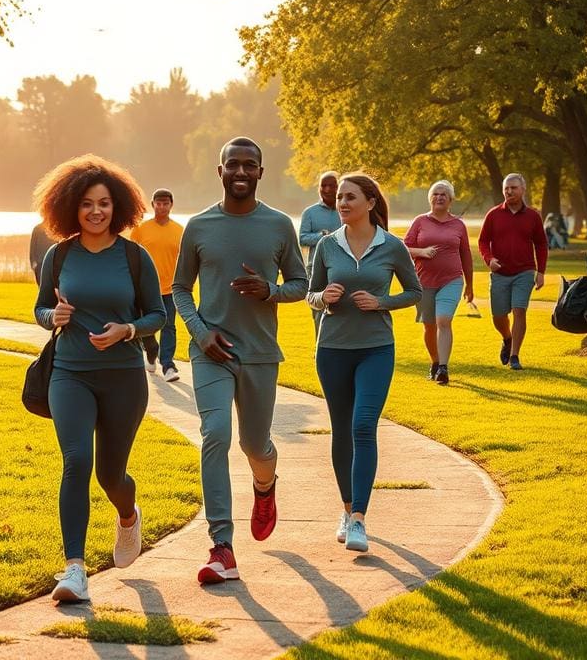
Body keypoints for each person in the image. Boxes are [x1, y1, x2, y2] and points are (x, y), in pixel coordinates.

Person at [172, 136, 308, 585]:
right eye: (233, 165)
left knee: (255, 445)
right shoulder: (198, 226)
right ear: (220, 170)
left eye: (250, 165)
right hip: (210, 351)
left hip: (260, 353)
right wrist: (199, 331)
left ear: (261, 173)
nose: (241, 173)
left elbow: (300, 284)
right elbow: (179, 289)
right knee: (215, 434)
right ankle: (222, 549)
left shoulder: (278, 225)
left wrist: (270, 290)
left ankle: (265, 484)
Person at [33, 155, 166, 602]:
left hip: (124, 377)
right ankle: (74, 569)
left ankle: (128, 516)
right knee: (76, 461)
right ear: (71, 206)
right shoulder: (60, 254)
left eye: (104, 204)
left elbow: (157, 315)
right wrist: (55, 315)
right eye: (87, 203)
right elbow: (39, 309)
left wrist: (127, 330)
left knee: (112, 474)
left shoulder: (134, 256)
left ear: (118, 207)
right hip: (70, 374)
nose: (95, 211)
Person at [308, 173, 421, 552]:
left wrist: (381, 302)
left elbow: (414, 292)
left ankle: (358, 519)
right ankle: (345, 509)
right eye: (339, 197)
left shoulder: (392, 246)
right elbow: (309, 293)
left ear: (370, 203)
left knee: (362, 426)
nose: (341, 203)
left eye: (349, 197)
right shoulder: (327, 245)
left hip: (376, 348)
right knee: (341, 429)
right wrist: (324, 296)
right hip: (333, 349)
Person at [404, 180, 473, 385]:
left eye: (443, 194)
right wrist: (421, 252)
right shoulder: (420, 222)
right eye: (435, 194)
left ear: (450, 199)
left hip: (451, 280)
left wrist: (470, 284)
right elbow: (403, 248)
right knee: (429, 326)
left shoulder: (458, 225)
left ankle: (443, 368)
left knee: (443, 320)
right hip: (424, 282)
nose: (439, 197)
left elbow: (466, 255)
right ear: (430, 198)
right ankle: (435, 362)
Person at [477, 173, 548, 370]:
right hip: (500, 273)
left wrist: (540, 272)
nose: (509, 191)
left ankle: (515, 356)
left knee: (519, 311)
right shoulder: (493, 214)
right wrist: (489, 259)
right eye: (506, 188)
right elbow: (483, 241)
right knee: (499, 316)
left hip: (524, 272)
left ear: (523, 190)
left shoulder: (533, 216)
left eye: (513, 188)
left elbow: (541, 244)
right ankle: (507, 338)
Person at [131, 188, 184, 382]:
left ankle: (168, 366)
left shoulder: (180, 231)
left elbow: (185, 260)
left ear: (171, 205)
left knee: (169, 326)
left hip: (170, 288)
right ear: (152, 205)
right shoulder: (140, 229)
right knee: (146, 328)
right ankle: (151, 353)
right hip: (145, 289)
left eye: (165, 203)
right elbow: (131, 259)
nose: (161, 207)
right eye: (158, 203)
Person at [299, 171, 340, 334]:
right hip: (316, 269)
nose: (328, 189)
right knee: (318, 312)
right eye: (324, 185)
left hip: (342, 268)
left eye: (332, 185)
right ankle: (319, 349)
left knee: (341, 311)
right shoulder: (310, 212)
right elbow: (302, 238)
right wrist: (321, 236)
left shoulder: (345, 209)